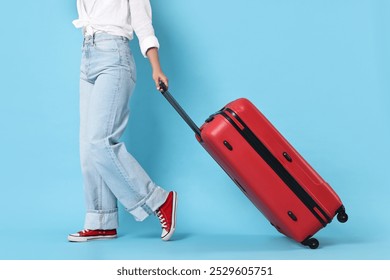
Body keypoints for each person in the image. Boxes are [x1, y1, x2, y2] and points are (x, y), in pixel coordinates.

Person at [68, 0, 177, 242]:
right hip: (87, 56)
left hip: (114, 57)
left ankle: (158, 200)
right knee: (88, 148)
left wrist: (156, 67)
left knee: (101, 141)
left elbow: (143, 23)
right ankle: (101, 220)